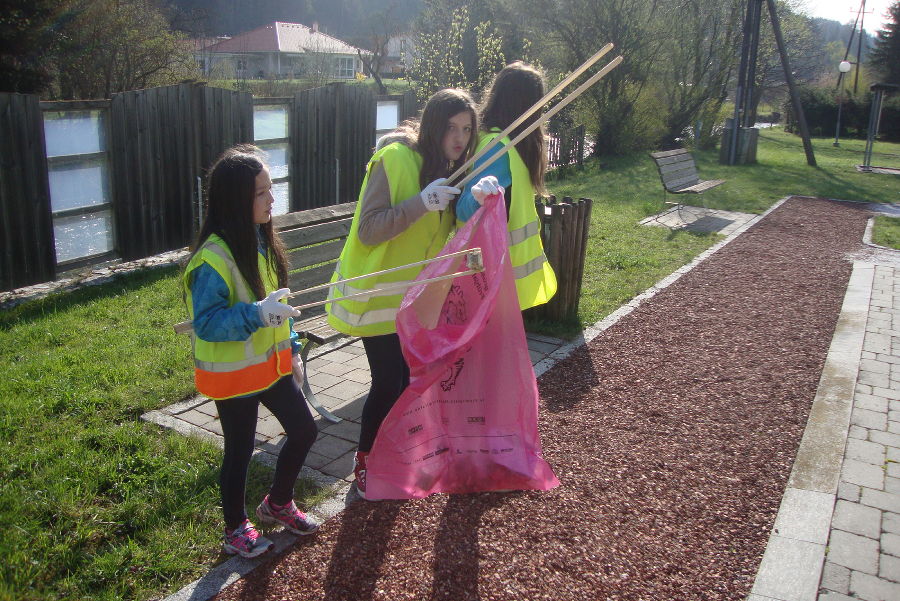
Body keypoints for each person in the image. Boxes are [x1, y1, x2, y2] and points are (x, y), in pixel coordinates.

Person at [325, 88, 480, 500]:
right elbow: (369, 229)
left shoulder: (452, 169)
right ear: (432, 124)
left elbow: (438, 239)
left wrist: (475, 208)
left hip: (413, 297)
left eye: (466, 128)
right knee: (388, 378)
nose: (459, 137)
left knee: (405, 379)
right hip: (376, 291)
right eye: (450, 127)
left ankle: (388, 453)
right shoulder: (394, 159)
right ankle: (364, 462)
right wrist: (421, 203)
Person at [182, 145, 319, 558]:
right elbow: (206, 323)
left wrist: (292, 348)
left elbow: (279, 306)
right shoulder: (212, 258)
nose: (272, 199)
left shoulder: (262, 241)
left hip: (272, 367)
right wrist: (257, 315)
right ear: (236, 200)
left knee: (305, 430)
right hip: (235, 375)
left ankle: (277, 503)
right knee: (239, 451)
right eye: (262, 193)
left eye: (270, 188)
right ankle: (235, 528)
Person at [456, 61, 558, 310]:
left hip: (503, 277)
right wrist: (478, 195)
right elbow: (465, 211)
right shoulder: (497, 147)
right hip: (490, 278)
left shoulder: (514, 144)